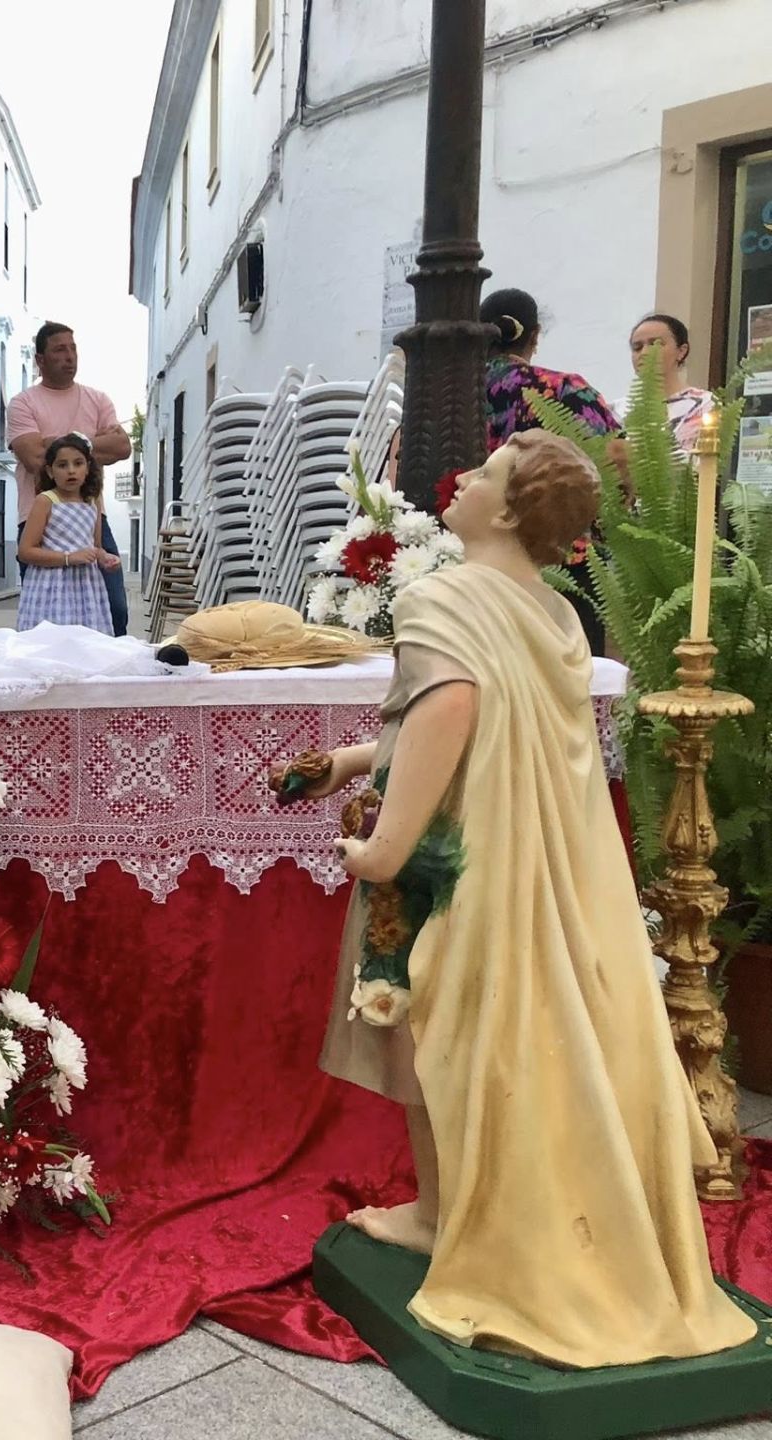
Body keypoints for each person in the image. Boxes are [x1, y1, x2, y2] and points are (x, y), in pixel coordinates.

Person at [293, 431, 755, 1368]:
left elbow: (450, 709)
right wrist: (348, 760)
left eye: (485, 474)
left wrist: (383, 849)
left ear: (506, 511)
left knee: (440, 1032)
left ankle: (462, 1220)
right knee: (476, 1031)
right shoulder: (551, 613)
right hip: (551, 861)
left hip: (464, 859)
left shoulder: (438, 598)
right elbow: (479, 715)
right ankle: (440, 1208)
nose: (460, 480)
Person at [479, 288, 621, 655]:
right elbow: (617, 460)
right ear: (535, 335)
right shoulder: (563, 390)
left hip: (483, 554)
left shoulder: (455, 394)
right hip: (564, 558)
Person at [7, 323, 132, 636]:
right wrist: (91, 444)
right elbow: (35, 459)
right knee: (47, 619)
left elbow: (122, 446)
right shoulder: (24, 403)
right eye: (59, 350)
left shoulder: (98, 399)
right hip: (40, 518)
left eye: (73, 348)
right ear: (40, 359)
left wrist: (55, 442)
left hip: (91, 515)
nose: (70, 356)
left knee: (113, 607)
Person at [15, 434, 118, 634]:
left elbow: (95, 547)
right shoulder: (45, 501)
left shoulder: (92, 502)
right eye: (62, 465)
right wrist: (69, 558)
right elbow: (26, 551)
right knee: (53, 643)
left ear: (88, 467)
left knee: (86, 644)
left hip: (86, 587)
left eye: (78, 463)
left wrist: (105, 558)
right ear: (50, 471)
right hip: (50, 587)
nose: (71, 470)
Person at [628, 312, 718, 452]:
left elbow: (696, 463)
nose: (645, 353)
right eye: (637, 348)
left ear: (681, 351)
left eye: (655, 344)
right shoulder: (618, 411)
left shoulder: (704, 404)